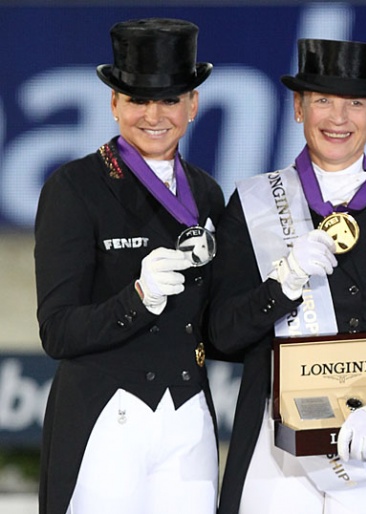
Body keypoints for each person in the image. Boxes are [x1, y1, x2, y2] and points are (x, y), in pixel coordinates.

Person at [210, 38, 366, 514]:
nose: (338, 118)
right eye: (323, 100)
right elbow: (222, 332)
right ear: (299, 108)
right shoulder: (255, 204)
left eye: (355, 104)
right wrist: (282, 285)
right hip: (276, 440)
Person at [34, 18, 224, 514]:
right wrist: (137, 300)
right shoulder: (74, 188)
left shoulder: (207, 192)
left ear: (193, 105)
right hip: (108, 417)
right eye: (138, 100)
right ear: (114, 104)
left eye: (170, 99)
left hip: (187, 419)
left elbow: (217, 322)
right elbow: (57, 332)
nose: (153, 115)